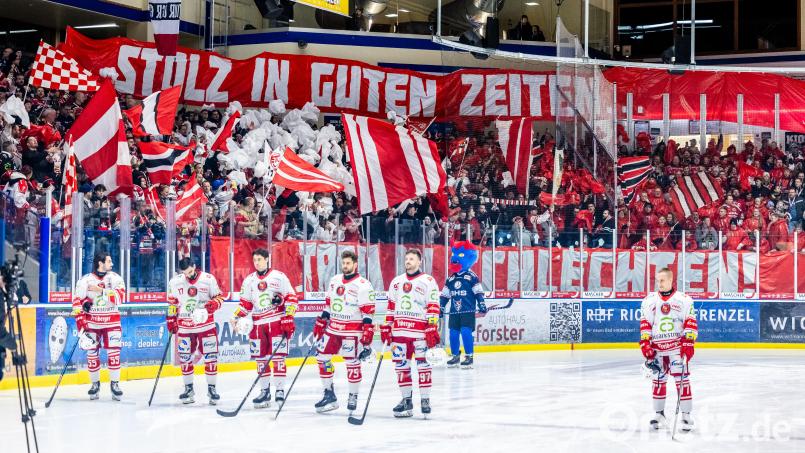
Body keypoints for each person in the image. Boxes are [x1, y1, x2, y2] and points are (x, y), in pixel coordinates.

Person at [231, 248, 298, 408]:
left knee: (278, 358)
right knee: (261, 360)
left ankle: (280, 390)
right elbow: (245, 304)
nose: (257, 263)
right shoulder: (249, 281)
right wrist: (235, 316)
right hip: (258, 324)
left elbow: (292, 298)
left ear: (267, 259)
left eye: (260, 260)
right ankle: (265, 391)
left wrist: (288, 316)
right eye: (255, 260)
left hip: (276, 322)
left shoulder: (279, 277)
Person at [312, 250, 376, 414]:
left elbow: (368, 312)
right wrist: (322, 320)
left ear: (355, 264)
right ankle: (329, 393)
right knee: (321, 357)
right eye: (343, 263)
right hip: (333, 327)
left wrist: (367, 331)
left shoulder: (363, 284)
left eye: (348, 263)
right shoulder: (334, 281)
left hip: (352, 330)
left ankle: (353, 395)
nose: (345, 266)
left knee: (351, 362)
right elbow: (328, 304)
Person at [381, 249, 441, 418]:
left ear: (419, 262)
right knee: (401, 367)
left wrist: (431, 326)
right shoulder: (396, 282)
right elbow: (391, 307)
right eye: (407, 259)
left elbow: (433, 305)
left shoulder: (428, 281)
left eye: (412, 259)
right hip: (400, 332)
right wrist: (387, 326)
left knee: (423, 366)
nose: (408, 261)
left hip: (420, 332)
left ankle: (425, 400)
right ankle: (406, 400)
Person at [639, 267, 697, 431]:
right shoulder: (649, 301)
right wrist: (646, 345)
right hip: (658, 351)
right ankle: (659, 414)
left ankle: (686, 415)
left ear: (671, 281)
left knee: (682, 380)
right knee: (658, 381)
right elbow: (645, 324)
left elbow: (690, 322)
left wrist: (688, 343)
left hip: (676, 349)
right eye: (658, 280)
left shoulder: (684, 300)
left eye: (663, 280)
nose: (660, 283)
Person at [166, 257, 224, 405]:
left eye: (191, 271)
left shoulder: (208, 279)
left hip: (206, 326)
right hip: (185, 327)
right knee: (185, 357)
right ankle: (188, 389)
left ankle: (212, 389)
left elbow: (219, 297)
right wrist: (171, 319)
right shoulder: (175, 282)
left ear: (194, 266)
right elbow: (172, 303)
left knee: (211, 357)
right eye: (185, 273)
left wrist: (213, 305)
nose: (189, 275)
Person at [72, 253, 126, 400]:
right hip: (92, 324)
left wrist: (101, 291)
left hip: (112, 322)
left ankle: (115, 384)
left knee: (114, 354)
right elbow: (76, 302)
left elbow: (121, 298)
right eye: (109, 261)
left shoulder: (115, 278)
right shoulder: (85, 280)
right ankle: (95, 384)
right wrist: (82, 312)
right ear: (100, 263)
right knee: (92, 354)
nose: (112, 263)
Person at [440, 241, 487, 369]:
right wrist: (441, 307)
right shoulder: (451, 278)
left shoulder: (472, 277)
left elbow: (478, 292)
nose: (455, 258)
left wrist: (482, 304)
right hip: (455, 312)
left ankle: (469, 356)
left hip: (467, 312)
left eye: (460, 255)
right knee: (453, 334)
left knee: (466, 332)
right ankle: (455, 355)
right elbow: (444, 295)